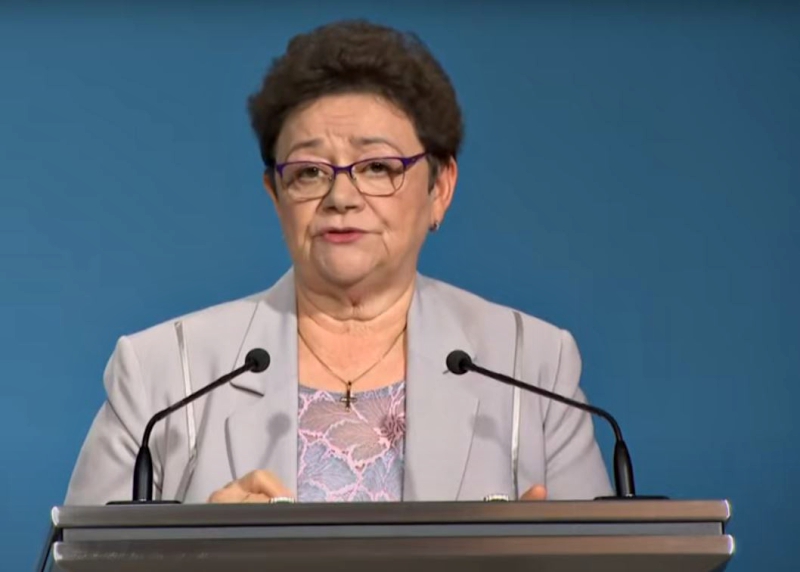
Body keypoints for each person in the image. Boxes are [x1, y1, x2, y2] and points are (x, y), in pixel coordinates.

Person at [64, 19, 612, 506]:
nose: (341, 197)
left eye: (377, 167)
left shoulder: (532, 367)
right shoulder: (165, 374)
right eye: (309, 172)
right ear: (275, 195)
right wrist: (198, 558)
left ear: (440, 187)